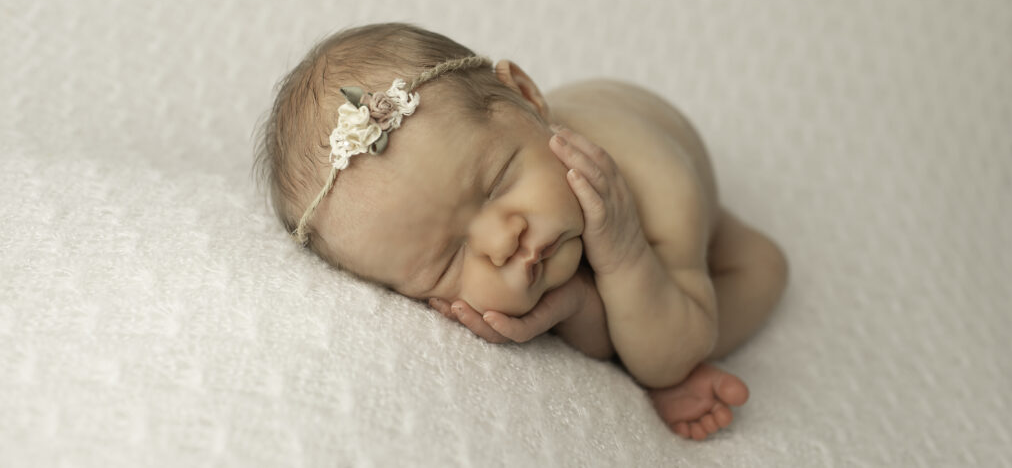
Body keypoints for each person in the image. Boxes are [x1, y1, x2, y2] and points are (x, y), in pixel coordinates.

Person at [252, 22, 788, 440]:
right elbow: (599, 324)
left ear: (528, 98)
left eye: (496, 185)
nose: (499, 242)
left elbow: (672, 349)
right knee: (618, 308)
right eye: (445, 260)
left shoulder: (659, 185)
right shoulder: (531, 219)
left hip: (685, 223)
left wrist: (625, 254)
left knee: (762, 269)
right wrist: (575, 306)